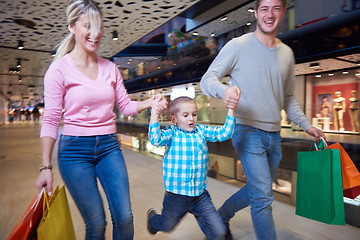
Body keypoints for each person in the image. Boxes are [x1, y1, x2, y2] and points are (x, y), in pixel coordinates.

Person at [34, 1, 167, 239]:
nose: (95, 34)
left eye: (99, 26)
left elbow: (125, 106)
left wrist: (148, 103)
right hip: (74, 152)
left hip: (108, 147)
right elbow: (52, 118)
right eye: (88, 26)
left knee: (125, 217)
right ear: (72, 27)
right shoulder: (58, 70)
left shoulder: (110, 68)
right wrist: (45, 166)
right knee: (96, 223)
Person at [200, 0, 326, 239]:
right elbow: (208, 79)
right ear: (256, 13)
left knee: (259, 191)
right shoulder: (238, 45)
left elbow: (288, 98)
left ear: (283, 12)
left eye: (275, 8)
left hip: (274, 136)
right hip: (247, 131)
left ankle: (220, 217)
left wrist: (307, 125)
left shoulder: (287, 54)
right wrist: (224, 91)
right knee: (263, 199)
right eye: (264, 8)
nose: (270, 14)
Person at [147, 95, 239, 240]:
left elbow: (224, 133)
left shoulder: (201, 131)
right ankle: (153, 221)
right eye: (185, 115)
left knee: (219, 232)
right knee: (167, 226)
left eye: (194, 114)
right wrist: (155, 113)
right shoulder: (172, 133)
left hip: (200, 196)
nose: (191, 118)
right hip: (176, 196)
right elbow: (155, 139)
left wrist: (231, 109)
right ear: (174, 119)